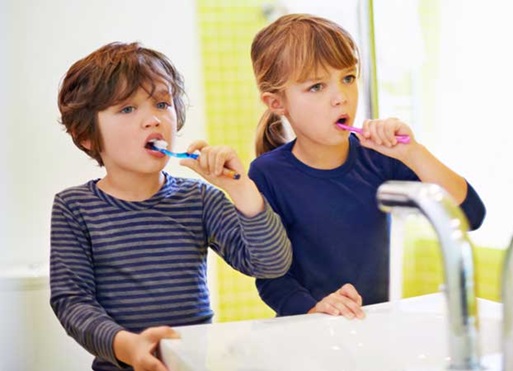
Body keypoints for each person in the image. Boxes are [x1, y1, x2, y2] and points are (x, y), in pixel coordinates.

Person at [50, 42, 292, 371]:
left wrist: (240, 188)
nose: (153, 120)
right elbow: (72, 303)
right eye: (127, 109)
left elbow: (270, 264)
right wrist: (128, 347)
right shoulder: (74, 208)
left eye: (162, 103)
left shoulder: (199, 199)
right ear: (87, 136)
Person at [248, 14, 486, 320]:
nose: (341, 98)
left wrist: (412, 153)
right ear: (276, 102)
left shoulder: (380, 158)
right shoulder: (267, 174)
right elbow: (271, 277)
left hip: (377, 326)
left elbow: (470, 214)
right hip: (308, 333)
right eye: (317, 86)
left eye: (348, 78)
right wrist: (314, 308)